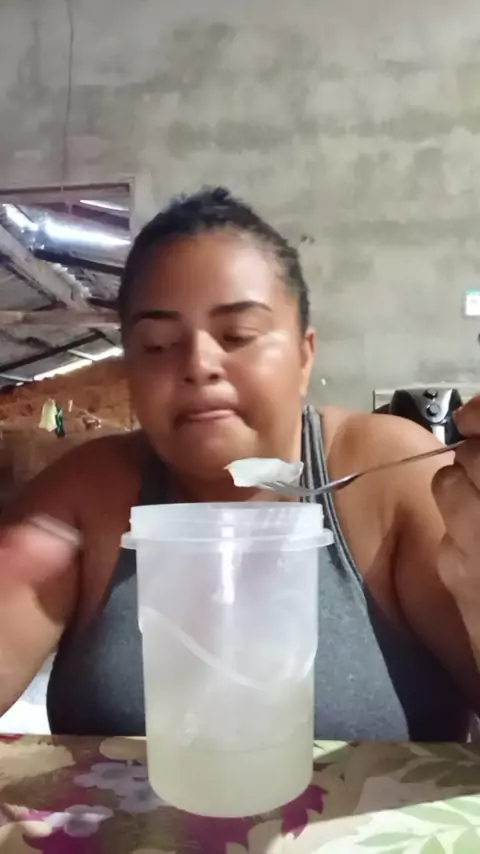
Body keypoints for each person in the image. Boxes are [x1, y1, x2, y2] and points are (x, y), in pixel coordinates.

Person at [1, 187, 480, 740]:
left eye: (238, 335)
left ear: (304, 356)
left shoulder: (390, 477)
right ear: (129, 370)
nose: (199, 363)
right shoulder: (87, 495)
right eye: (157, 344)